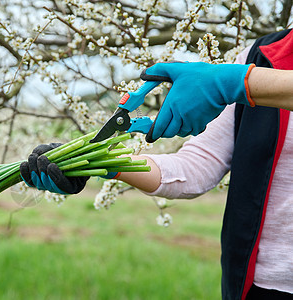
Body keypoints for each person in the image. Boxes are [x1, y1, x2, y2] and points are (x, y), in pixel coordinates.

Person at [20, 28, 293, 300]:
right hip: (257, 286)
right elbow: (197, 165)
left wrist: (235, 82)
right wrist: (105, 163)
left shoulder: (242, 74)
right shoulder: (261, 54)